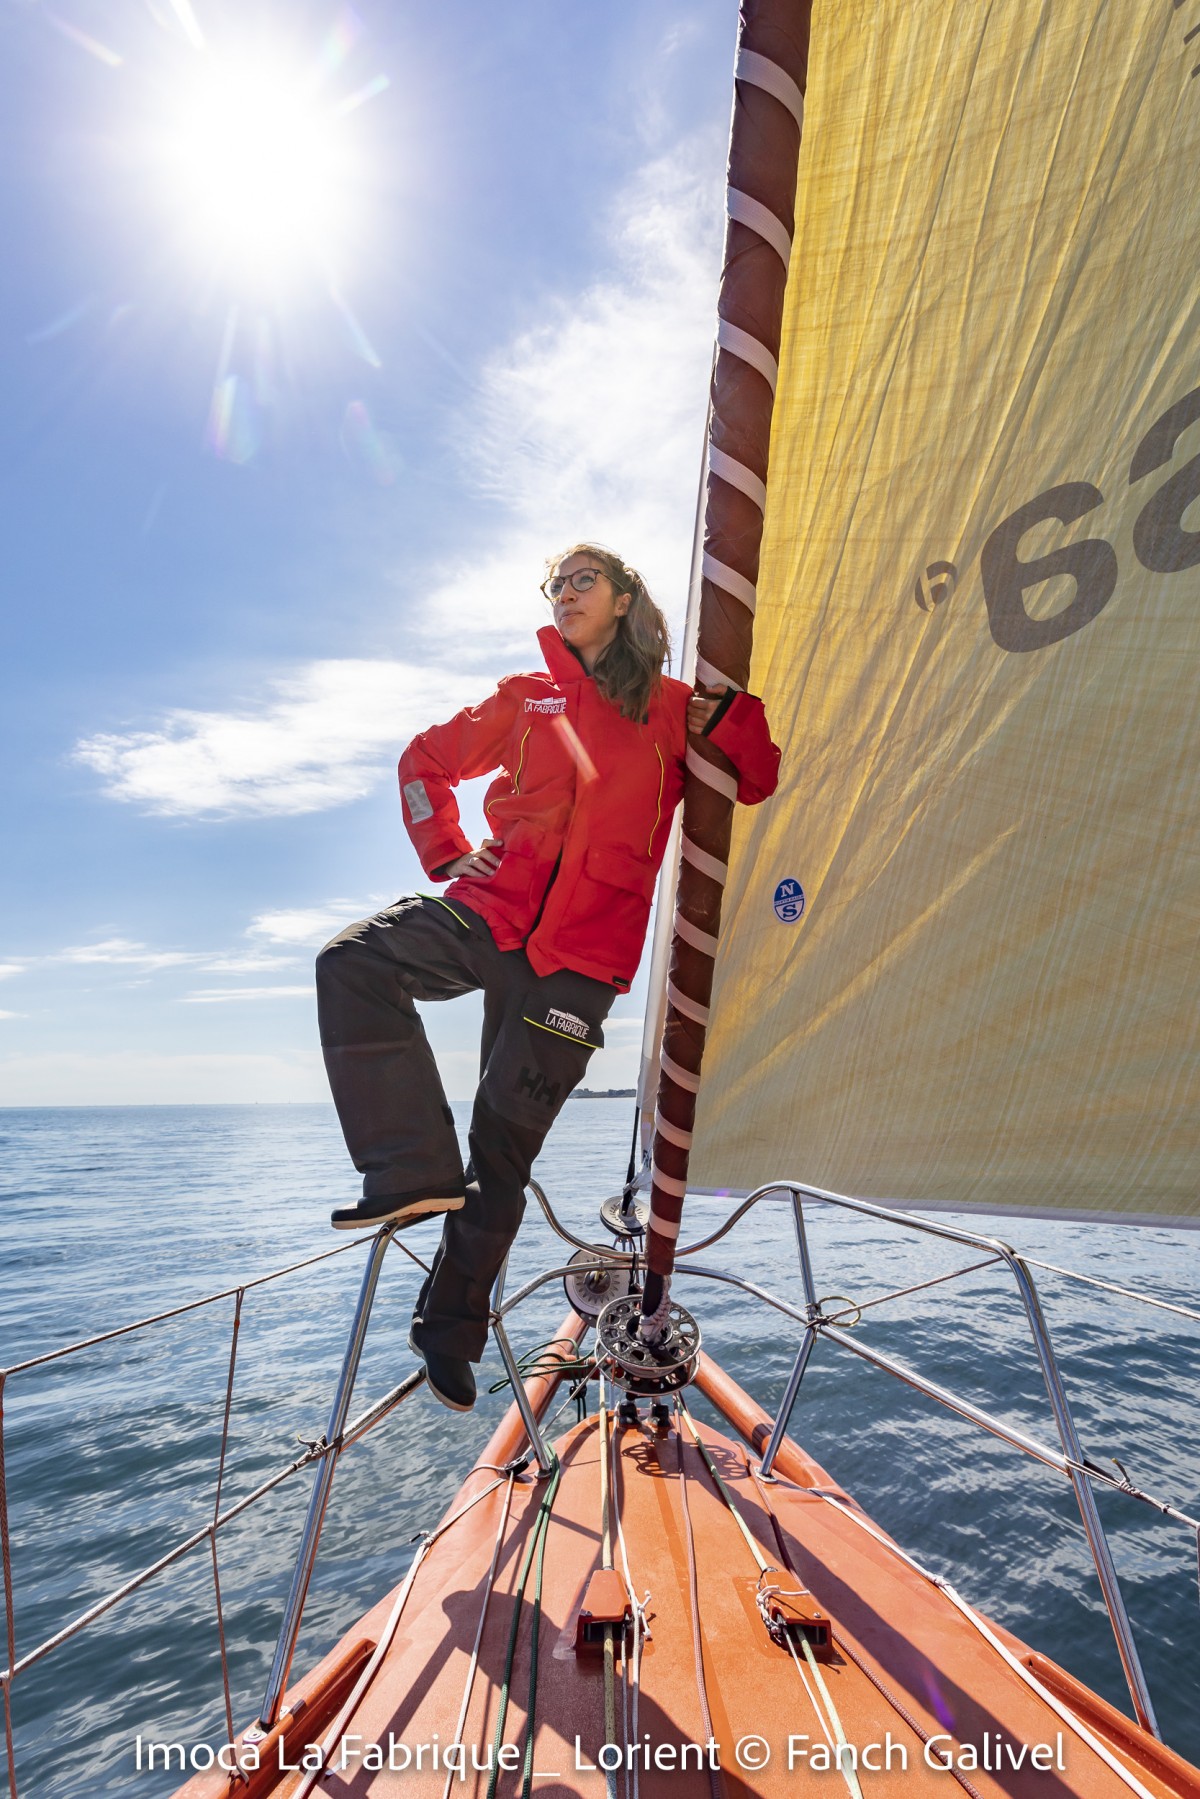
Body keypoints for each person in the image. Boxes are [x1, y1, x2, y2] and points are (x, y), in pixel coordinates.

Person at [315, 545, 779, 1410]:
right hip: (492, 914)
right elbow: (423, 760)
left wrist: (732, 717)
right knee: (353, 962)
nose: (564, 594)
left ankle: (447, 1333)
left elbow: (759, 777)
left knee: (503, 1150)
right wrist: (450, 850)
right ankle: (408, 1165)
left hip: (582, 964)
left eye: (581, 581)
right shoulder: (525, 697)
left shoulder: (674, 709)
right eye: (555, 584)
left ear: (623, 597)